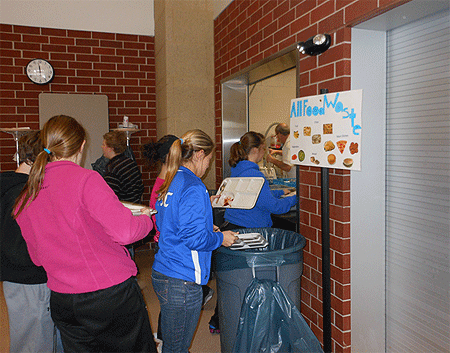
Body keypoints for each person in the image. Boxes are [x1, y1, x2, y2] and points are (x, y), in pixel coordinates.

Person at [13, 115, 157, 353]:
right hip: (108, 295)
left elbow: (38, 257)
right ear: (81, 145)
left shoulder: (29, 191)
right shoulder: (87, 179)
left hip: (63, 300)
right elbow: (126, 232)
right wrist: (146, 219)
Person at [151, 129, 238, 353]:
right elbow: (195, 239)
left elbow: (169, 223)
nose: (208, 166)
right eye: (208, 160)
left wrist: (206, 227)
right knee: (177, 348)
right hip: (182, 278)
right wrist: (221, 238)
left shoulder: (170, 179)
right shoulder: (194, 186)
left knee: (173, 344)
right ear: (199, 154)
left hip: (164, 270)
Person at [1, 131, 63, 353]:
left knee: (31, 336)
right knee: (35, 342)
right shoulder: (23, 193)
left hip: (16, 279)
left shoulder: (8, 183)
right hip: (31, 278)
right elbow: (20, 247)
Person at [223, 131, 297, 229]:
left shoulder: (238, 170)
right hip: (249, 229)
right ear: (255, 150)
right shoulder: (255, 175)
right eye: (263, 148)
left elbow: (252, 194)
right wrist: (296, 198)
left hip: (232, 225)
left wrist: (279, 192)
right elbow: (276, 207)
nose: (264, 152)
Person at [102, 130, 144, 204]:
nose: (102, 147)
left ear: (111, 148)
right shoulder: (130, 162)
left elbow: (111, 196)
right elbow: (140, 187)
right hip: (136, 206)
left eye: (104, 145)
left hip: (123, 209)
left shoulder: (112, 168)